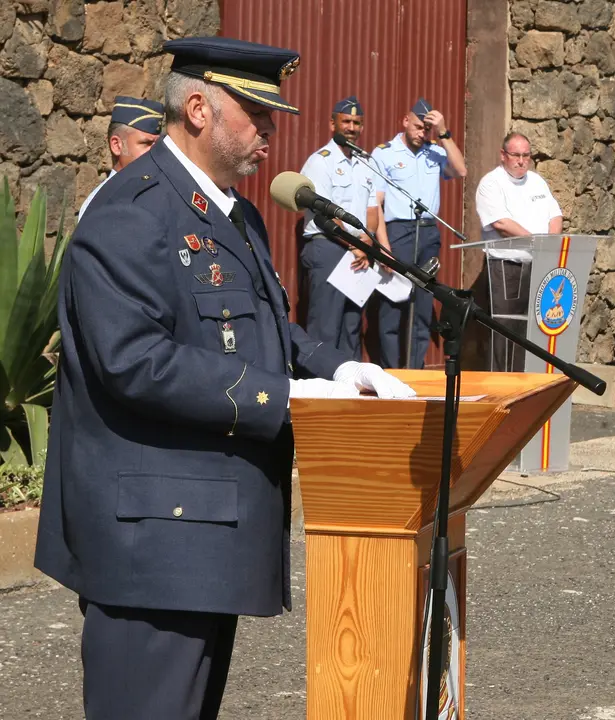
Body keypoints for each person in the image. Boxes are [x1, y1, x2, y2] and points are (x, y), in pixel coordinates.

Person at [33, 37, 415, 720]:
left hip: (204, 541)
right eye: (256, 113)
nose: (270, 130)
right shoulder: (131, 211)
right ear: (200, 109)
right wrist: (287, 397)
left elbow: (269, 328)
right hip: (151, 548)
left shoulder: (231, 212)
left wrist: (343, 367)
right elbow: (135, 361)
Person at [371, 97, 467, 369]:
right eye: (416, 127)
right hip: (397, 231)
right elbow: (376, 202)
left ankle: (415, 370)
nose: (421, 133)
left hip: (427, 232)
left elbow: (460, 170)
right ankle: (390, 369)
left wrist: (444, 132)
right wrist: (383, 245)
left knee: (423, 306)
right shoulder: (385, 153)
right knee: (393, 305)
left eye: (426, 129)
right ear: (405, 121)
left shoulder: (435, 152)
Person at [299, 95, 390, 358]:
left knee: (352, 326)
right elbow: (323, 212)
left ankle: (351, 388)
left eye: (357, 123)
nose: (351, 127)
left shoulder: (367, 162)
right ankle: (319, 390)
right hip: (329, 247)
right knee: (325, 327)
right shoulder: (321, 161)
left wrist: (366, 242)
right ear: (332, 124)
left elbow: (372, 210)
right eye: (346, 121)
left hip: (359, 251)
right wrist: (356, 244)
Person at [78, 95, 164, 219]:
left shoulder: (162, 192)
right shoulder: (100, 204)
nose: (155, 151)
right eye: (146, 143)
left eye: (157, 144)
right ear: (117, 145)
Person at [475, 131, 562, 241]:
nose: (521, 161)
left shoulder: (537, 181)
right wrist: (536, 243)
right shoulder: (491, 183)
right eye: (515, 155)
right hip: (508, 258)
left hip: (541, 256)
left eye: (526, 155)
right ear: (503, 155)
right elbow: (501, 223)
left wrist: (550, 243)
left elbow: (555, 215)